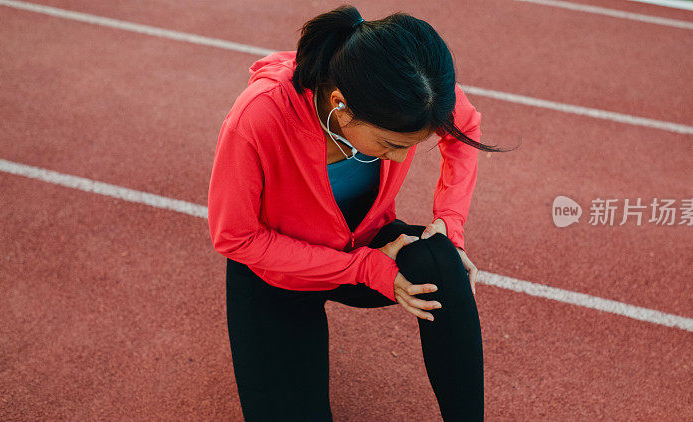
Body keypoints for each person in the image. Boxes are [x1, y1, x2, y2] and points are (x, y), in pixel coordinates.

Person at [208, 5, 507, 421]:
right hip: (277, 274)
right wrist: (364, 269)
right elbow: (235, 238)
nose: (403, 157)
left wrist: (449, 221)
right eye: (389, 144)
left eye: (411, 145)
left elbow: (465, 129)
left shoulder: (419, 95)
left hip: (366, 242)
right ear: (340, 105)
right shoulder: (258, 117)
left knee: (441, 259)